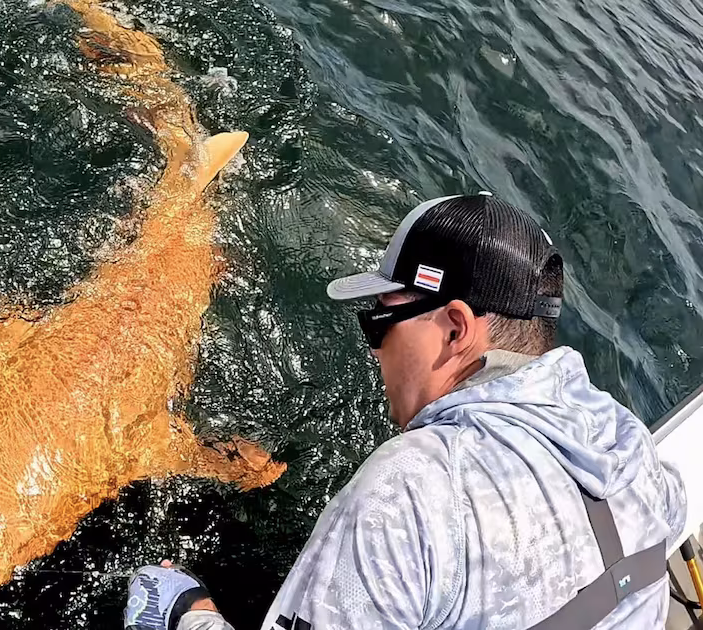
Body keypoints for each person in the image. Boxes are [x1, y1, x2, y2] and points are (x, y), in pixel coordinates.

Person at [122, 193, 688, 630]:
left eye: (382, 319)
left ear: (457, 328)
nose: (373, 345)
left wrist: (187, 611)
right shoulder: (624, 440)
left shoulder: (409, 490)